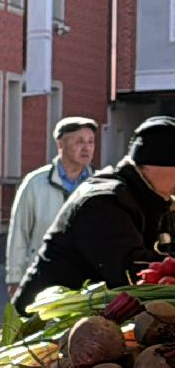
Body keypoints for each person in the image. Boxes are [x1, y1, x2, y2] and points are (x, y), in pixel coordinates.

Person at [14, 116, 175, 310]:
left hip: (98, 322)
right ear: (153, 165)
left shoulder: (155, 198)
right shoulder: (103, 202)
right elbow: (134, 272)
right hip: (44, 325)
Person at [5, 116, 98, 298]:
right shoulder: (35, 183)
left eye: (91, 142)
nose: (86, 148)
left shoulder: (98, 184)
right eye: (79, 141)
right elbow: (19, 232)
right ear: (61, 144)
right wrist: (15, 278)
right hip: (41, 276)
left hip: (86, 279)